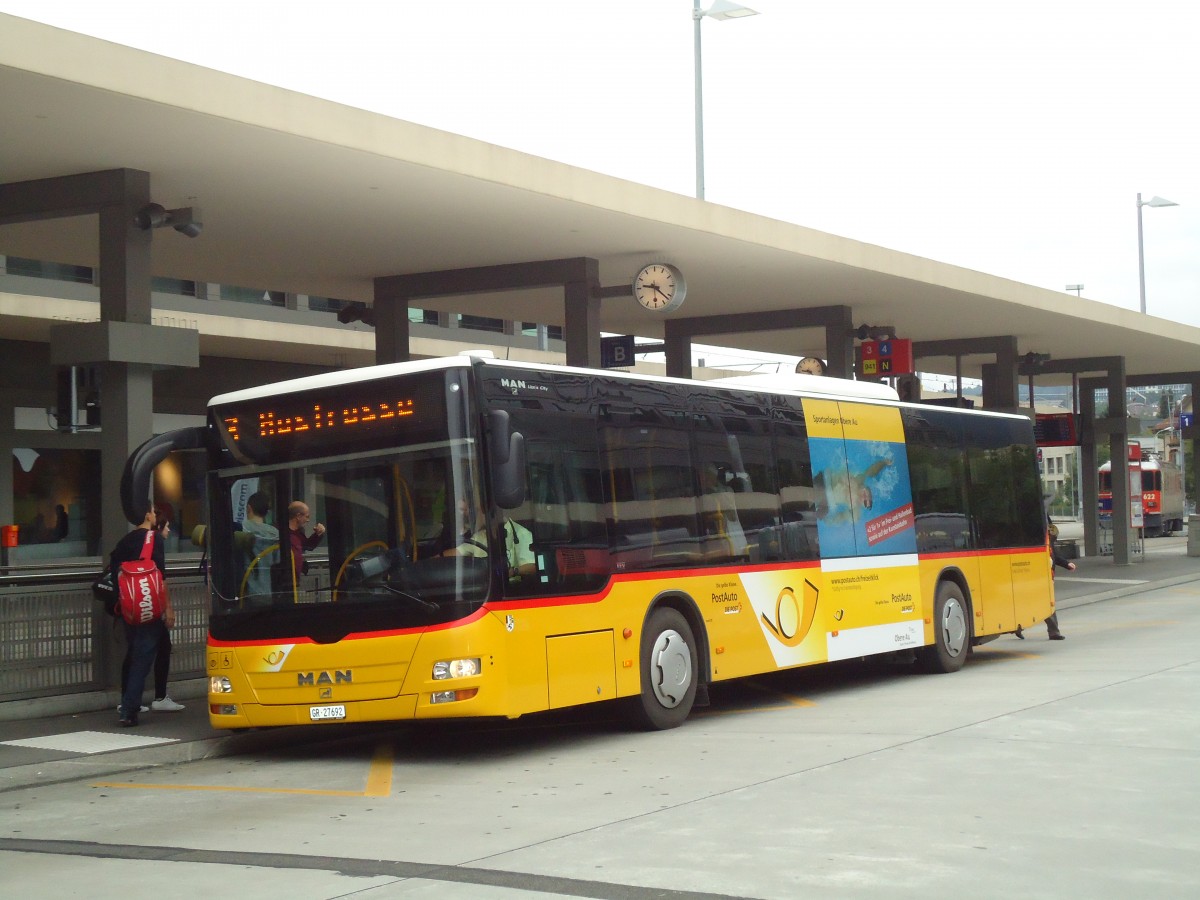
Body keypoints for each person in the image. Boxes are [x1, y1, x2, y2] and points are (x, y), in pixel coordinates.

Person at [109, 504, 177, 726]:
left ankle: (127, 701)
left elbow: (113, 571)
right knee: (142, 658)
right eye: (154, 510)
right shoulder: (153, 539)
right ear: (148, 515)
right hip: (150, 606)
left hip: (130, 608)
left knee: (134, 652)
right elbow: (161, 577)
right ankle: (129, 710)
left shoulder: (125, 541)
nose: (155, 513)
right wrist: (168, 608)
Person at [443, 497, 535, 580]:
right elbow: (457, 552)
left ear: (491, 513)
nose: (475, 515)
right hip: (483, 588)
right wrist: (433, 560)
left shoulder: (521, 533)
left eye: (479, 511)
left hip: (510, 590)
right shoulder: (480, 536)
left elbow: (532, 566)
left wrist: (512, 571)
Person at [240, 491, 279, 598]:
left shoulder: (241, 530)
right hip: (270, 591)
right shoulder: (276, 534)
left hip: (247, 591)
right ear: (266, 512)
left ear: (248, 508)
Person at [285, 501, 325, 583]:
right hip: (286, 576)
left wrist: (317, 534)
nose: (308, 520)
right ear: (298, 516)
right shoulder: (282, 533)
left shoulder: (299, 533)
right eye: (307, 516)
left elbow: (308, 546)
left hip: (295, 577)